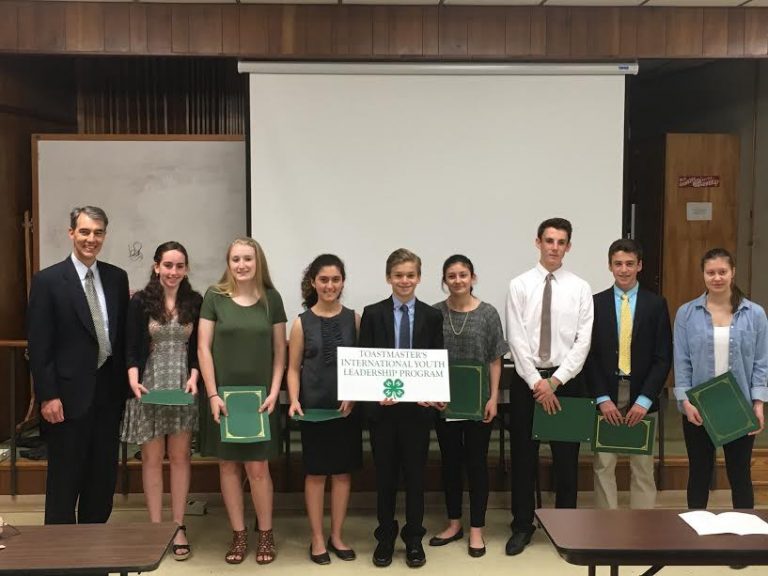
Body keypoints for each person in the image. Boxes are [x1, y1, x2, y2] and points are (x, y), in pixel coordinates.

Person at [27, 205, 129, 525]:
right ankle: (60, 562)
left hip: (108, 397)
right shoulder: (47, 281)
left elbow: (121, 337)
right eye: (84, 231)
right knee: (64, 485)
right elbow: (40, 344)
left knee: (101, 484)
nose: (91, 239)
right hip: (66, 400)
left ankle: (94, 556)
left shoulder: (116, 278)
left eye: (98, 233)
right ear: (71, 233)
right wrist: (48, 395)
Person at [504, 217, 593, 556]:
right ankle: (522, 525)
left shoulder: (580, 288)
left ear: (568, 246)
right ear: (537, 242)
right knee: (524, 459)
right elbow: (516, 337)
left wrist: (555, 381)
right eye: (549, 240)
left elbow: (582, 342)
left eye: (561, 242)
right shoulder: (519, 285)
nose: (554, 247)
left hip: (566, 382)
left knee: (566, 460)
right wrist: (536, 383)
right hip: (529, 380)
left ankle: (567, 528)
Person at [197, 237, 287, 565]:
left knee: (258, 467)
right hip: (223, 399)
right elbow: (203, 348)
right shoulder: (214, 297)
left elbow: (281, 350)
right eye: (235, 259)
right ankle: (238, 534)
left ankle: (265, 533)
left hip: (261, 399)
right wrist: (212, 393)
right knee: (228, 466)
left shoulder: (272, 299)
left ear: (257, 261)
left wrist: (276, 390)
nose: (241, 265)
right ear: (228, 262)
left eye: (247, 259)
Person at [359, 248, 444, 569]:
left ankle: (413, 538)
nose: (404, 281)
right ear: (388, 278)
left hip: (417, 413)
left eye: (410, 275)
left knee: (415, 477)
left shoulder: (431, 316)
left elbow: (436, 359)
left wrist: (431, 392)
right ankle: (384, 536)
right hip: (383, 411)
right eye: (398, 275)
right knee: (385, 477)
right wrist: (372, 394)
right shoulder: (373, 314)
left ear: (419, 278)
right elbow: (365, 361)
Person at [121, 241, 203, 560]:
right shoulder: (141, 301)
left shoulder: (194, 301)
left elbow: (198, 348)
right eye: (167, 265)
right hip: (149, 385)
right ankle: (155, 527)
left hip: (183, 386)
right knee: (152, 460)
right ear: (156, 266)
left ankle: (178, 525)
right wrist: (132, 377)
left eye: (179, 266)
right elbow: (130, 345)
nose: (173, 271)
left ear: (186, 269)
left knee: (180, 458)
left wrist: (195, 374)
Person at [674, 248, 767, 510]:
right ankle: (695, 537)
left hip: (739, 404)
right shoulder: (687, 313)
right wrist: (684, 402)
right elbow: (681, 361)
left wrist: (758, 404)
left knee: (740, 475)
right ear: (703, 275)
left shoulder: (755, 314)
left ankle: (744, 537)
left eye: (722, 272)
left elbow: (761, 362)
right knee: (699, 474)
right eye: (711, 272)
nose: (717, 277)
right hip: (699, 405)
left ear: (733, 273)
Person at [429, 255, 507, 558]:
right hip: (444, 403)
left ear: (473, 277)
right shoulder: (435, 313)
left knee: (476, 464)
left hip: (478, 403)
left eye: (463, 274)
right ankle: (453, 524)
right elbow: (428, 359)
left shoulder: (488, 314)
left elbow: (495, 358)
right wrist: (432, 393)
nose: (458, 280)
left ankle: (477, 528)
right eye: (452, 275)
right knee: (450, 462)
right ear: (444, 280)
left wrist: (494, 397)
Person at [287, 254, 362, 565]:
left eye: (335, 279)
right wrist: (294, 399)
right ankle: (317, 537)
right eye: (324, 280)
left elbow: (362, 365)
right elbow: (293, 369)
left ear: (342, 282)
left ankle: (337, 535)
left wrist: (355, 395)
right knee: (316, 474)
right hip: (313, 409)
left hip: (346, 410)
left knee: (342, 474)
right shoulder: (301, 322)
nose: (330, 285)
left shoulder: (355, 319)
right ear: (313, 282)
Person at [586, 239, 672, 510]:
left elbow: (662, 358)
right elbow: (589, 356)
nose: (624, 270)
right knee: (603, 466)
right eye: (618, 264)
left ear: (640, 266)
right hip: (606, 395)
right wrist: (602, 397)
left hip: (642, 396)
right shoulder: (594, 304)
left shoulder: (656, 304)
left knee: (643, 468)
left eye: (630, 264)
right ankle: (607, 529)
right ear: (610, 266)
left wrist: (645, 400)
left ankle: (642, 532)